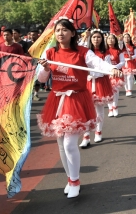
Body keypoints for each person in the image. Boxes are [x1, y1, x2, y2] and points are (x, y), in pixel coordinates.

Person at [36, 18, 122, 198]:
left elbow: (98, 64)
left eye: (65, 30)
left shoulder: (83, 52)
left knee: (69, 143)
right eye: (58, 30)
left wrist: (111, 68)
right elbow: (42, 79)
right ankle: (69, 179)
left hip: (76, 99)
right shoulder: (50, 52)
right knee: (61, 143)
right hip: (57, 99)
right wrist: (44, 68)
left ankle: (75, 180)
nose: (60, 33)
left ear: (73, 33)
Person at [79, 30, 115, 148]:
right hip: (87, 82)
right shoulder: (85, 51)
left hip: (100, 82)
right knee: (86, 111)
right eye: (94, 37)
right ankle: (86, 136)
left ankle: (98, 131)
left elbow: (107, 68)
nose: (96, 39)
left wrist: (97, 73)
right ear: (90, 38)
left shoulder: (106, 53)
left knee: (99, 110)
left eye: (98, 37)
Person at [105, 34, 125, 117]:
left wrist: (115, 67)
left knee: (115, 92)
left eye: (112, 38)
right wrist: (110, 68)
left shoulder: (118, 51)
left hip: (116, 73)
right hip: (107, 74)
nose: (110, 40)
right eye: (109, 38)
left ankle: (115, 107)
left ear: (115, 40)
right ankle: (110, 108)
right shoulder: (104, 51)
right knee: (108, 92)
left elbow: (122, 62)